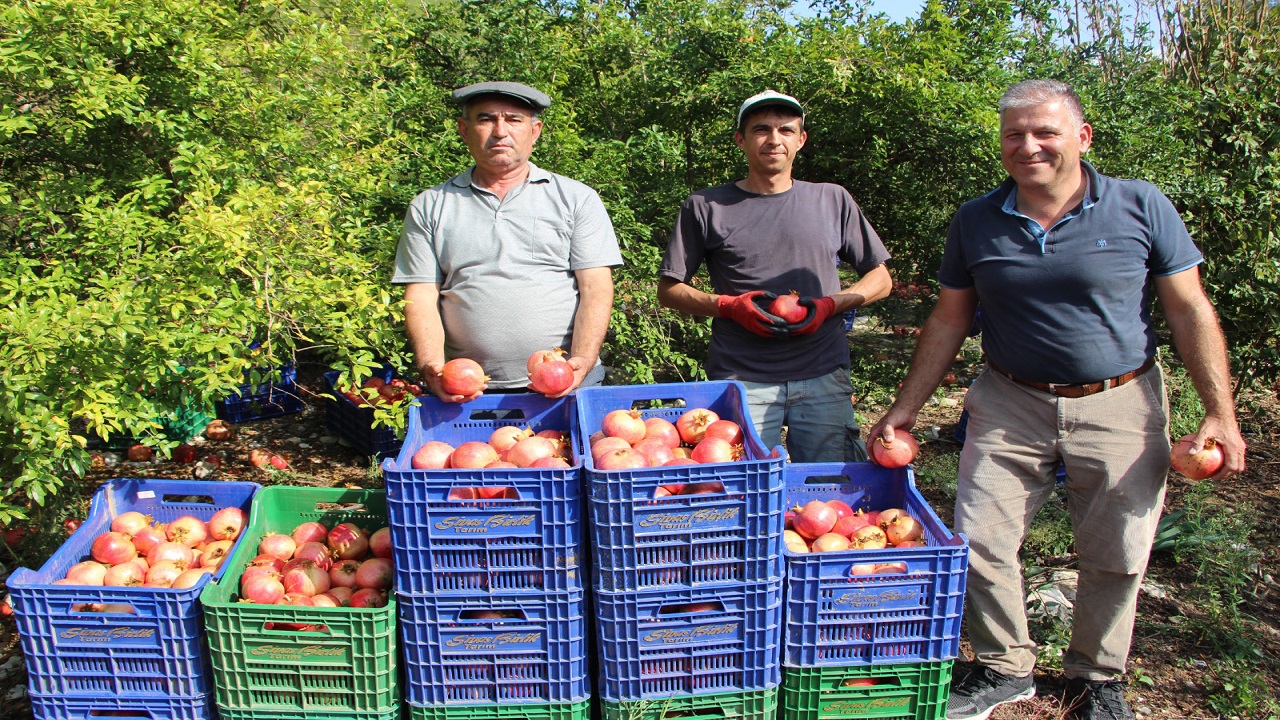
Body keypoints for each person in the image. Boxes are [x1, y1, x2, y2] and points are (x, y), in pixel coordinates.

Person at [868, 79, 1246, 720]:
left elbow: (1189, 310)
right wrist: (906, 405)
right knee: (979, 536)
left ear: (1082, 137)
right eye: (1014, 134)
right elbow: (948, 319)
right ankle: (1001, 665)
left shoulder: (1139, 205)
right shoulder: (977, 219)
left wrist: (1220, 412)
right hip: (1010, 399)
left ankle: (1096, 678)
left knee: (1119, 547)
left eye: (1045, 131)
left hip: (1120, 400)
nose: (1029, 145)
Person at [657, 90, 893, 462]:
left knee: (827, 492)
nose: (774, 139)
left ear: (801, 140)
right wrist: (729, 306)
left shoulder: (832, 199)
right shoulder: (706, 206)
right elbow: (669, 289)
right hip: (741, 379)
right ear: (741, 139)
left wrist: (831, 305)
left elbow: (880, 279)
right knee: (744, 491)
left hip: (823, 375)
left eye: (786, 130)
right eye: (761, 129)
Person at [392, 81, 623, 401]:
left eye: (514, 119)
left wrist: (580, 363)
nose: (500, 131)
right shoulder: (430, 206)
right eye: (486, 119)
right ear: (464, 129)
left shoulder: (576, 199)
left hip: (565, 382)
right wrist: (431, 365)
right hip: (468, 391)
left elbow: (596, 287)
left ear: (535, 131)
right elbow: (420, 294)